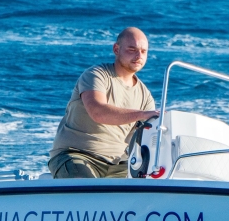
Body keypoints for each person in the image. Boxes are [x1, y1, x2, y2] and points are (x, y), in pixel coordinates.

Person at [48, 27, 158, 178]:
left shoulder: (145, 96)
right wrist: (142, 114)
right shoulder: (96, 75)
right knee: (89, 192)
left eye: (144, 51)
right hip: (77, 155)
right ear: (116, 49)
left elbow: (147, 138)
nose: (139, 55)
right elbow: (98, 112)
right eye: (132, 49)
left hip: (118, 166)